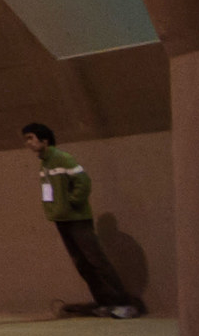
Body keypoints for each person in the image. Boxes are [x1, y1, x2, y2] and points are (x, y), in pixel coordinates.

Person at [23, 123, 142, 318]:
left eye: (30, 138)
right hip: (61, 220)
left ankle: (124, 303)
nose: (27, 143)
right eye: (26, 139)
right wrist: (55, 210)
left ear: (44, 140)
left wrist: (71, 203)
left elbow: (83, 182)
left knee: (96, 260)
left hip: (77, 219)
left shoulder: (62, 158)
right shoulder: (44, 163)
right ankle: (104, 302)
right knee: (81, 263)